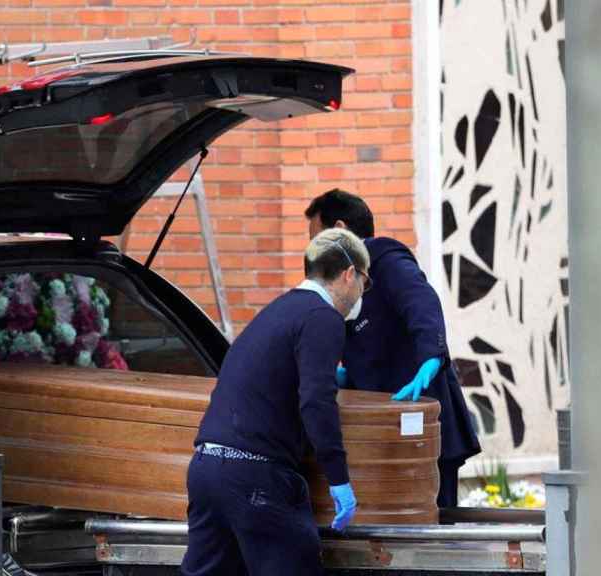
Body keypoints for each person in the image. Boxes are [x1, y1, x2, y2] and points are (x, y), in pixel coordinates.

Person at [181, 228, 369, 576]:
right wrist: (339, 479)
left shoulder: (278, 310)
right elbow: (316, 401)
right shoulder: (323, 317)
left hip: (206, 470)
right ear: (348, 275)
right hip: (255, 478)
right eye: (364, 283)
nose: (361, 294)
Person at [304, 188, 481, 507]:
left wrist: (430, 357)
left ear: (341, 231)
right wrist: (345, 377)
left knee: (435, 527)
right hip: (385, 435)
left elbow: (422, 302)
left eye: (316, 241)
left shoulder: (384, 258)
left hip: (426, 425)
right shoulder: (342, 285)